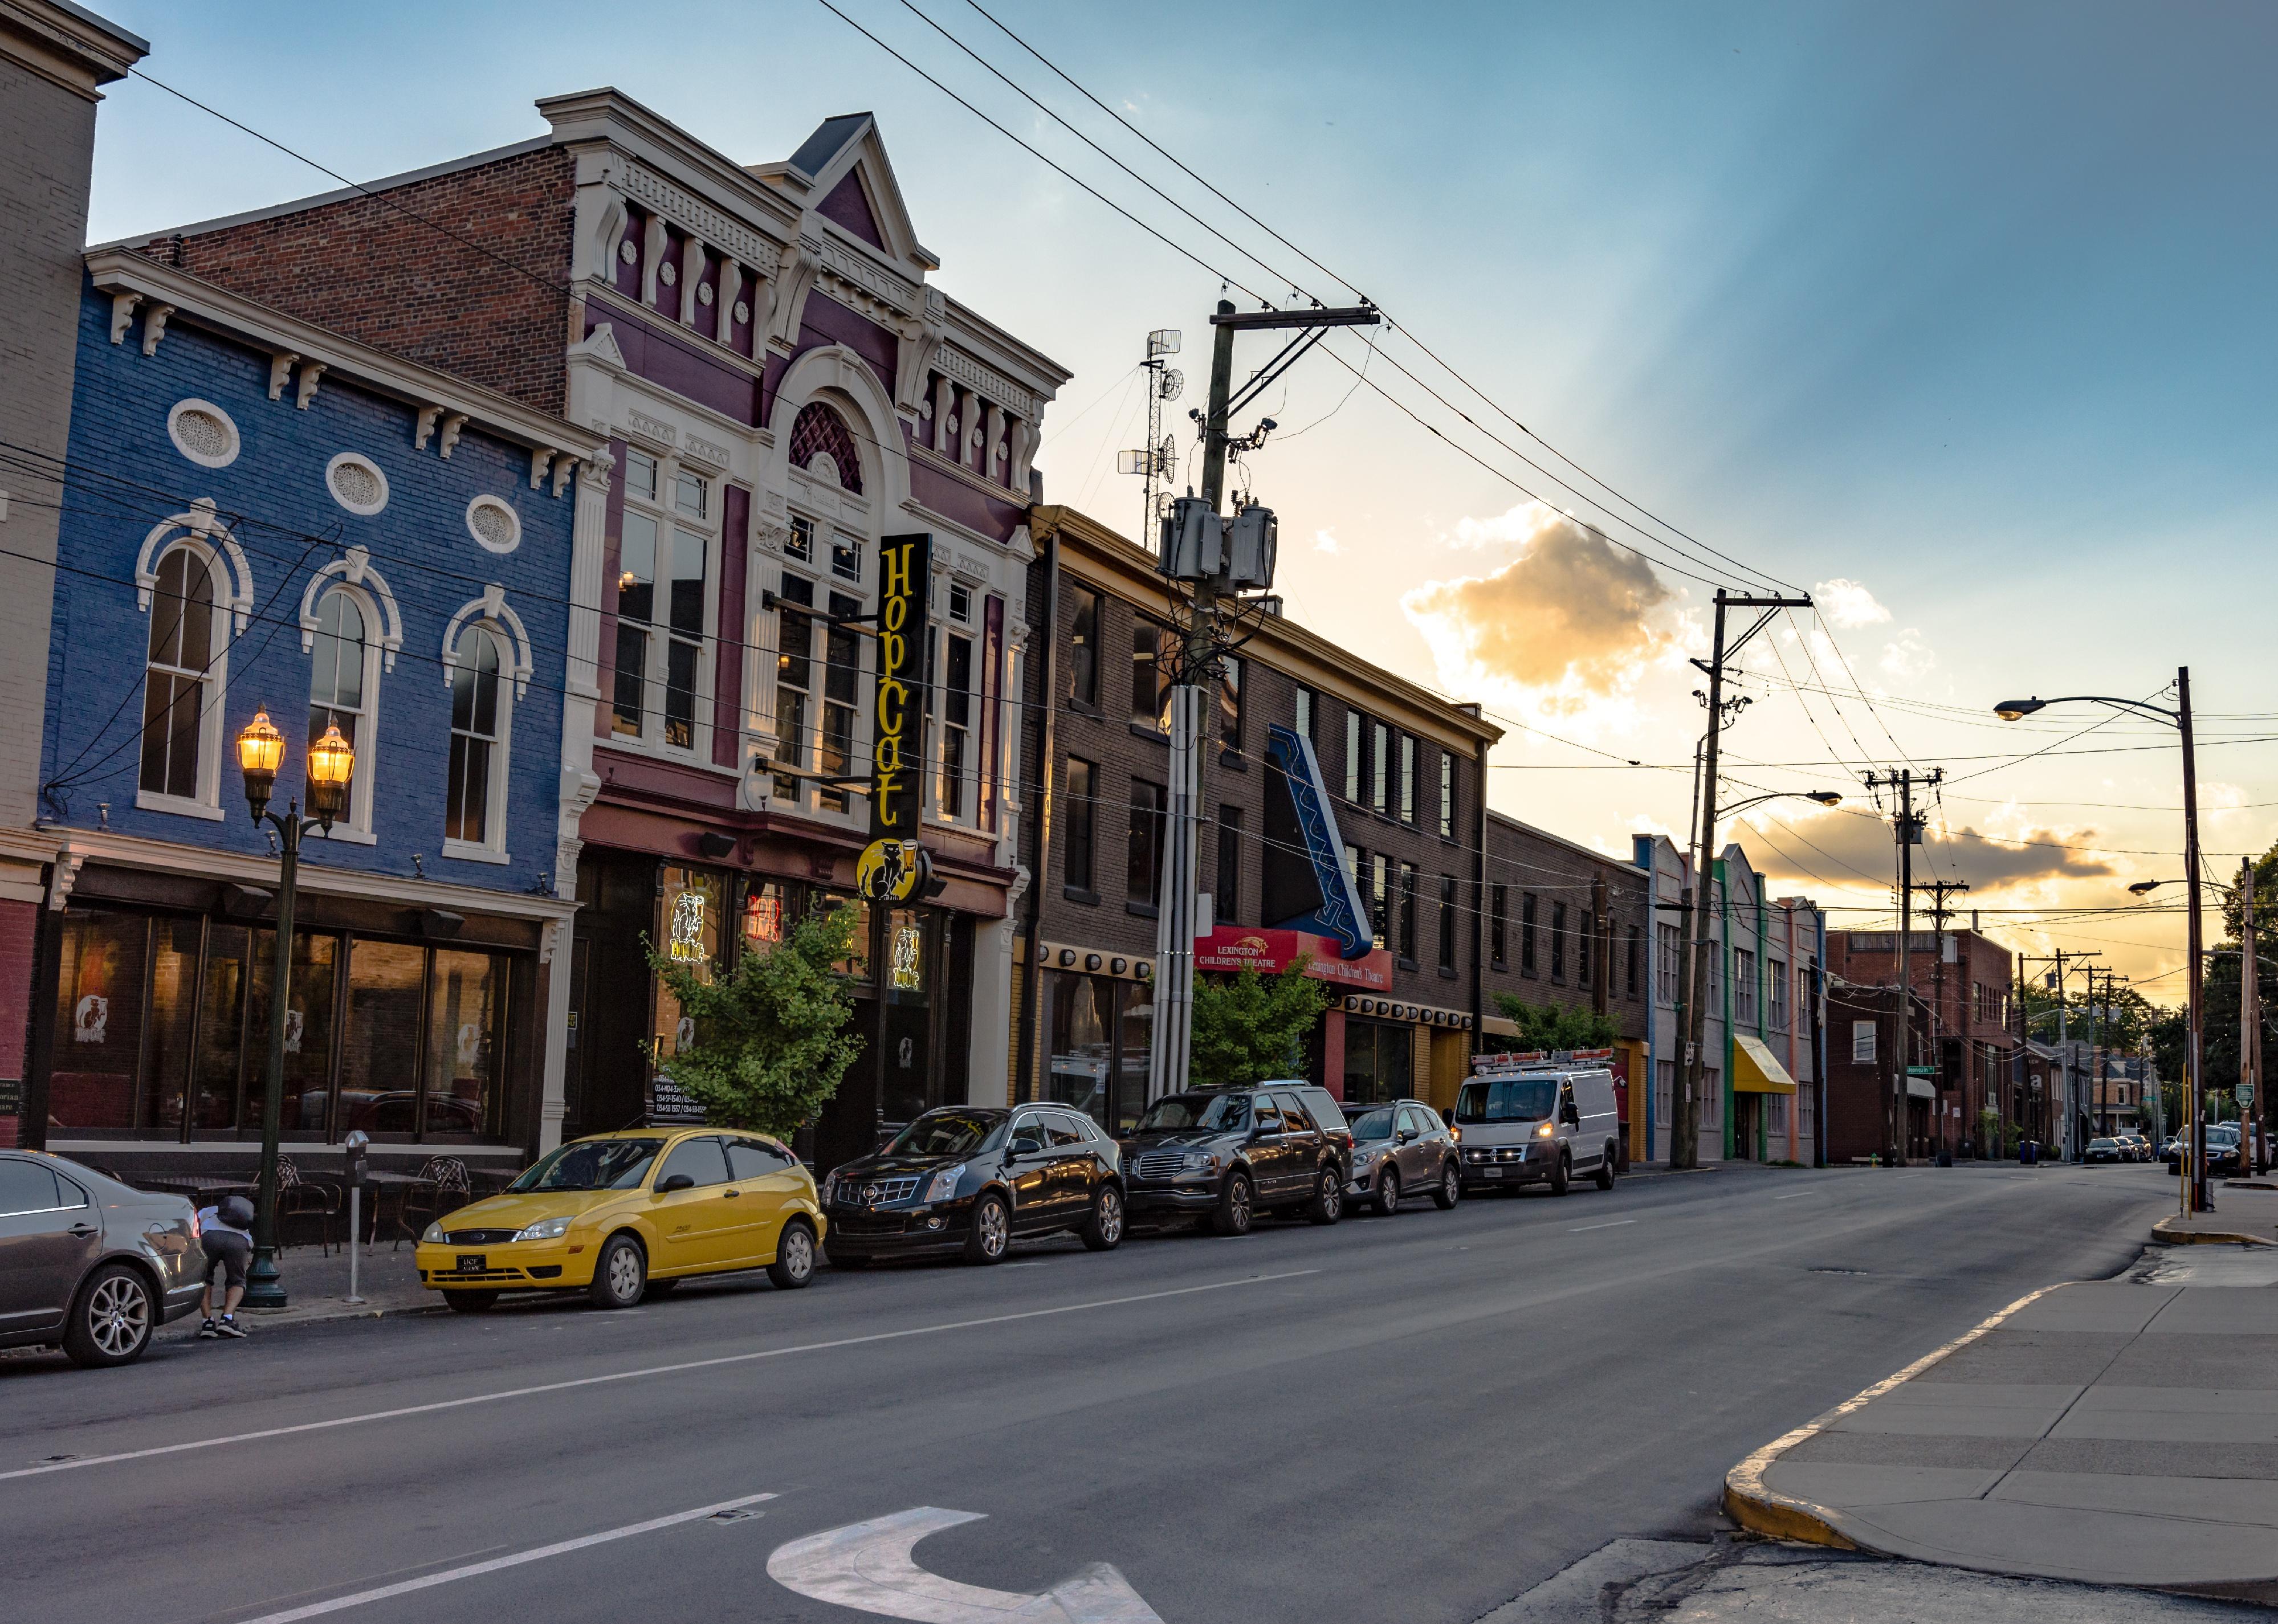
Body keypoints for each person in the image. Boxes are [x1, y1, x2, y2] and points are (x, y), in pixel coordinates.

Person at [195, 1195, 256, 1339]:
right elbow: (249, 1242)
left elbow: (194, 1226)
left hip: (209, 1238)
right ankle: (227, 1320)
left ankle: (208, 1323)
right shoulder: (242, 1216)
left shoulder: (208, 1211)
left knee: (204, 1278)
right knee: (237, 1281)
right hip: (238, 1242)